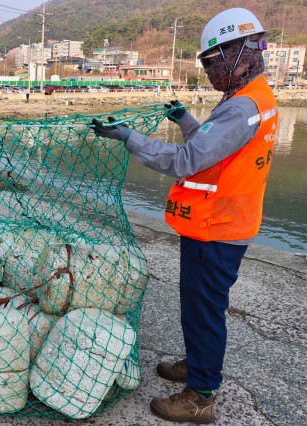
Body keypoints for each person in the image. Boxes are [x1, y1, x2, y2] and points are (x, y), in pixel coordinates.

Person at [91, 8, 276, 424]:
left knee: (203, 309)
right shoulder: (253, 98)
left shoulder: (241, 106)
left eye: (212, 62)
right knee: (199, 305)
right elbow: (215, 149)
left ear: (239, 53)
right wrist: (188, 120)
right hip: (223, 223)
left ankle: (201, 395)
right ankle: (198, 365)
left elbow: (188, 162)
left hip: (218, 228)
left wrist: (130, 138)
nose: (210, 71)